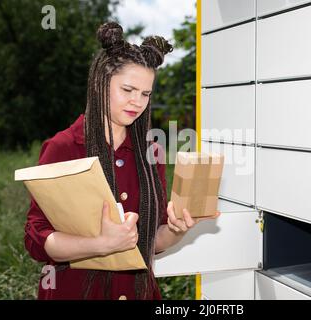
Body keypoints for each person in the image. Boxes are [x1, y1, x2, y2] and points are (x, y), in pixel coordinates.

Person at [24, 22, 219, 300]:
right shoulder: (63, 147)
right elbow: (36, 240)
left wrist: (178, 230)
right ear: (100, 83)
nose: (137, 102)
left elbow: (152, 241)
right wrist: (100, 244)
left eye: (145, 93)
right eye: (127, 90)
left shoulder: (151, 151)